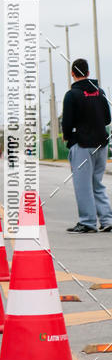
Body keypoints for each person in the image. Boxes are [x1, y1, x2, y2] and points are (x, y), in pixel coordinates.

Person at [62, 58, 112, 233]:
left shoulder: (72, 95)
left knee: (83, 185)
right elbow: (108, 118)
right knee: (97, 183)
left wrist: (68, 136)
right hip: (101, 143)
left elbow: (67, 122)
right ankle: (107, 220)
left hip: (82, 145)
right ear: (88, 73)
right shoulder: (100, 92)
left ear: (73, 73)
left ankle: (88, 222)